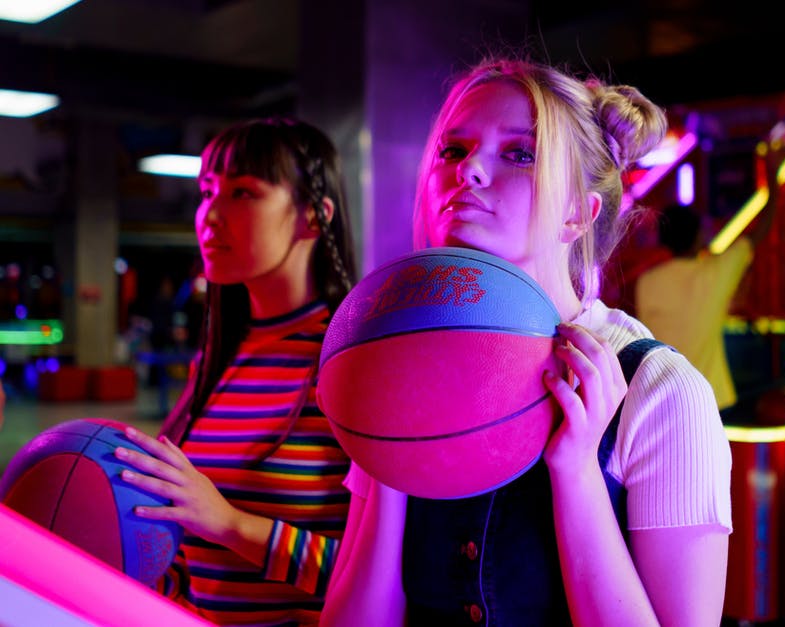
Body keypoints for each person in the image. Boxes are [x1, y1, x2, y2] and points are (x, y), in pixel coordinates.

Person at [321, 57, 733, 626]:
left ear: (578, 214)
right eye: (453, 150)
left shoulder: (662, 393)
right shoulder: (403, 368)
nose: (468, 172)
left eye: (519, 153)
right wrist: (390, 456)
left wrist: (578, 471)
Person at [113, 116, 359, 626]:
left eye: (243, 193)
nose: (210, 215)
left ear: (313, 216)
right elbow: (188, 553)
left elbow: (380, 577)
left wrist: (229, 523)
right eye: (207, 192)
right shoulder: (221, 356)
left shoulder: (354, 361)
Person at [633, 127, 785, 415]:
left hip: (661, 400)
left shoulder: (647, 282)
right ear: (696, 238)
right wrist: (773, 175)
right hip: (709, 399)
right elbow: (763, 227)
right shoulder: (715, 271)